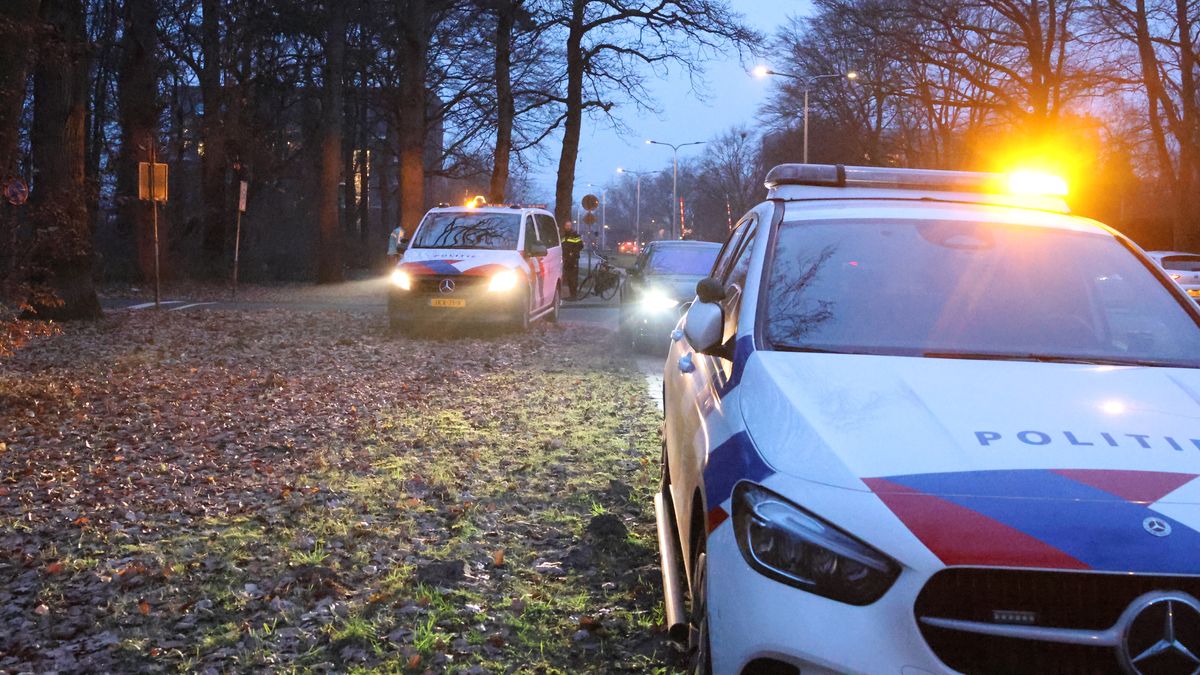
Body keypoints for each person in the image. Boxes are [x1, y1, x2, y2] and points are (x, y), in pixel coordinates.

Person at [561, 220, 583, 299]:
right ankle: (571, 294)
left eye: (569, 226)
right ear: (564, 226)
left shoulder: (575, 235)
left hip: (573, 260)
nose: (568, 227)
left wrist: (573, 253)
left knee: (573, 278)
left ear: (571, 226)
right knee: (569, 278)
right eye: (567, 226)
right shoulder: (563, 236)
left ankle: (574, 295)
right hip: (566, 260)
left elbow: (580, 245)